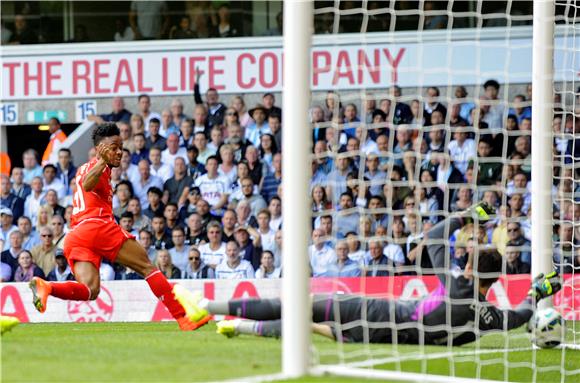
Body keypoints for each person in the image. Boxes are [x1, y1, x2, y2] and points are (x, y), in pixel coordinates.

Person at [174, 203, 562, 345]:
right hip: (383, 340)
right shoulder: (489, 314)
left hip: (378, 313)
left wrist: (467, 215)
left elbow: (432, 236)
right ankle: (236, 328)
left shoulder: (457, 283)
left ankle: (206, 306)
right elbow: (523, 315)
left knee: (299, 306)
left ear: (473, 266)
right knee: (307, 328)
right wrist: (537, 293)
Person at [28, 123, 207, 331]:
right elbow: (87, 184)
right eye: (114, 147)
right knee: (148, 268)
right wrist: (103, 161)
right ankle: (184, 318)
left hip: (76, 235)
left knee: (90, 290)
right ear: (99, 149)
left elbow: (85, 185)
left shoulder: (84, 168)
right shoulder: (99, 166)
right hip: (97, 226)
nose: (119, 152)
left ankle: (47, 287)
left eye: (120, 146)